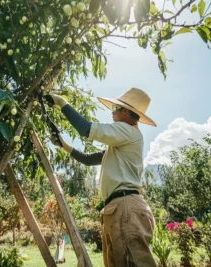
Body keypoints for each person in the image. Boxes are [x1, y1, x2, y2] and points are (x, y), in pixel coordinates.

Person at [46, 88, 157, 267]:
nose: (112, 111)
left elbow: (85, 128)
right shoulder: (120, 144)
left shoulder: (127, 131)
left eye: (115, 107)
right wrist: (63, 145)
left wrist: (61, 102)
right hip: (117, 208)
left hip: (125, 206)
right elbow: (88, 159)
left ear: (126, 112)